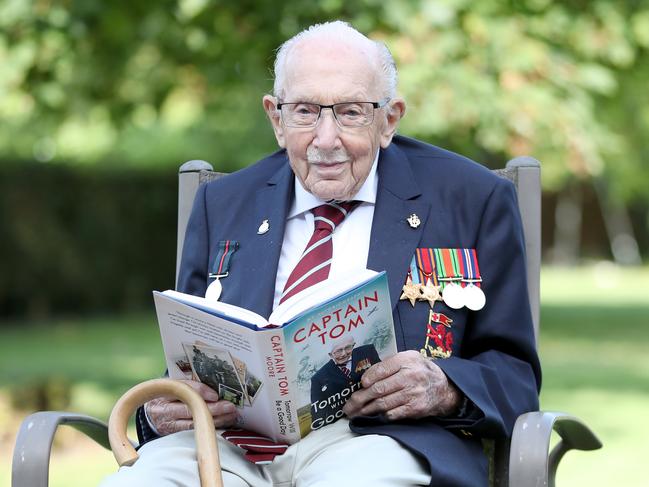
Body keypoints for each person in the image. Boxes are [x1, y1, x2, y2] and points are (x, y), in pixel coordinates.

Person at [101, 20, 540, 487]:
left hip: (377, 445)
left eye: (351, 112)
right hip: (223, 449)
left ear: (388, 120)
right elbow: (185, 356)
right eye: (305, 112)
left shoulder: (471, 197)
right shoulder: (224, 203)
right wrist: (164, 409)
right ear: (276, 118)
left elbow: (514, 377)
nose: (326, 139)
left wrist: (445, 387)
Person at [310, 336, 381, 429]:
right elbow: (317, 410)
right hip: (342, 424)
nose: (344, 354)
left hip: (376, 410)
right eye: (338, 351)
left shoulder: (367, 351)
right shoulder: (318, 377)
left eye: (348, 348)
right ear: (330, 355)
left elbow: (381, 374)